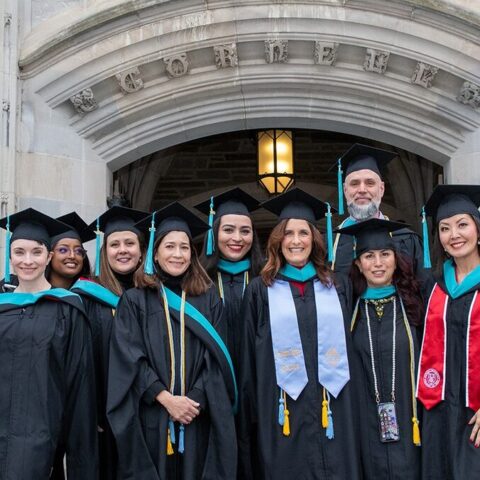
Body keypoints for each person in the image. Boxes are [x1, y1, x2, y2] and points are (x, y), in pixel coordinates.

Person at [107, 202, 238, 480]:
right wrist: (166, 399)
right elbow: (128, 358)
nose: (177, 254)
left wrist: (193, 401)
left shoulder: (209, 298)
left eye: (184, 247)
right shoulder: (135, 300)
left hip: (197, 415)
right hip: (153, 415)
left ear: (192, 254)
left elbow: (216, 361)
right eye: (169, 247)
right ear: (155, 253)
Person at [237, 188, 360, 480]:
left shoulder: (338, 286)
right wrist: (252, 414)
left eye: (303, 233)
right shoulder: (259, 290)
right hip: (281, 410)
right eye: (288, 234)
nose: (296, 241)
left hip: (335, 407)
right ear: (278, 241)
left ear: (314, 239)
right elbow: (248, 361)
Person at [0, 208, 97, 479]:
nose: (27, 260)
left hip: (40, 438)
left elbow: (79, 386)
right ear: (10, 257)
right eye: (19, 252)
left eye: (36, 252)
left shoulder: (67, 308)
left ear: (49, 257)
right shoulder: (2, 306)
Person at [67, 205, 148, 480]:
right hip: (104, 416)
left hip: (149, 413)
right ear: (104, 250)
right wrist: (92, 414)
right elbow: (82, 362)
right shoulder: (88, 296)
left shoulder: (154, 293)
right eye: (115, 244)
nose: (123, 250)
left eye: (130, 243)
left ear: (141, 250)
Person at [338, 218, 423, 479]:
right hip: (366, 424)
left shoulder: (416, 304)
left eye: (385, 254)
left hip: (412, 422)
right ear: (358, 264)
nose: (378, 263)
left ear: (396, 259)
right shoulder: (346, 309)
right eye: (369, 256)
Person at [417, 185, 480, 479]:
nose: (454, 234)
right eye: (445, 228)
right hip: (437, 410)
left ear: (478, 230)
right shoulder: (431, 285)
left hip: (475, 414)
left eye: (462, 224)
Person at [195, 187, 263, 370]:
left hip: (257, 376)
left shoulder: (266, 278)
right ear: (214, 233)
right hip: (212, 377)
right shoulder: (198, 281)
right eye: (228, 230)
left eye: (245, 231)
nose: (237, 238)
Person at [332, 144, 424, 276]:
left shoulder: (406, 239)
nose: (362, 190)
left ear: (381, 189)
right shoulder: (329, 243)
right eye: (354, 183)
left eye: (370, 183)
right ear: (345, 191)